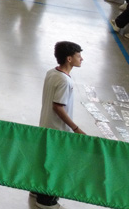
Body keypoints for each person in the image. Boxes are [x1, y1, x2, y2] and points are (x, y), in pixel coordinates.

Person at [33, 42, 85, 209]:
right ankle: (46, 201)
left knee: (44, 159)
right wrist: (76, 128)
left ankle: (36, 190)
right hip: (58, 130)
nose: (81, 59)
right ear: (69, 59)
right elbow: (58, 107)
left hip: (46, 125)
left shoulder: (52, 73)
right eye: (78, 56)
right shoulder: (64, 81)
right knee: (55, 165)